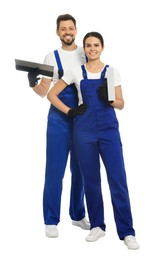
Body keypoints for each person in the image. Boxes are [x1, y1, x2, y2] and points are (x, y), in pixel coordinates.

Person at [47, 31, 140, 249]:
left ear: (102, 47)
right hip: (84, 131)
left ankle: (127, 231)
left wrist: (109, 99)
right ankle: (97, 225)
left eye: (96, 45)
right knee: (91, 180)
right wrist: (70, 111)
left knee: (117, 179)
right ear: (85, 48)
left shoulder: (112, 71)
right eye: (88, 45)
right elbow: (52, 95)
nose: (92, 49)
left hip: (109, 131)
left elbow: (121, 103)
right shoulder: (74, 71)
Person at [27, 14, 90, 238]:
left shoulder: (86, 52)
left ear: (76, 30)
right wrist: (33, 82)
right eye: (63, 29)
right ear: (57, 32)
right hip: (58, 119)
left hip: (83, 117)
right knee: (55, 169)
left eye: (71, 28)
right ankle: (51, 219)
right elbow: (45, 91)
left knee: (81, 168)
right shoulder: (50, 57)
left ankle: (77, 214)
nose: (67, 32)